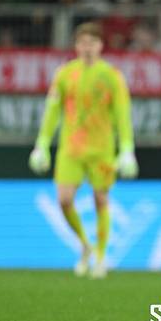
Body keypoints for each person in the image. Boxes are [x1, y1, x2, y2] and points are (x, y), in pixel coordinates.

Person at [29, 22, 138, 278]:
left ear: (101, 46)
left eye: (92, 43)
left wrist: (127, 149)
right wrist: (42, 144)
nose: (87, 48)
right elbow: (52, 111)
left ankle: (100, 257)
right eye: (83, 43)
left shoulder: (112, 76)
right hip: (71, 148)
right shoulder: (64, 74)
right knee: (64, 200)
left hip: (101, 149)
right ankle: (85, 245)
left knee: (101, 199)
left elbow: (122, 114)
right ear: (76, 46)